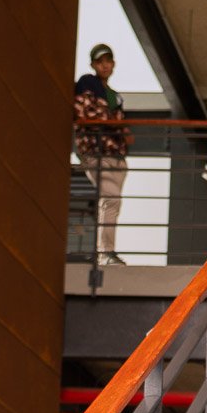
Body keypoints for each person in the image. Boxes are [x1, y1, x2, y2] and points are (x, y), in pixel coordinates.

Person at [73, 43, 130, 265]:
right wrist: (116, 124)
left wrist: (117, 125)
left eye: (108, 61)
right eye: (100, 62)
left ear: (113, 63)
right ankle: (105, 252)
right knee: (110, 199)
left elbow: (119, 124)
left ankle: (107, 251)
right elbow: (86, 112)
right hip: (96, 152)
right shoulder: (87, 82)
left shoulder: (116, 95)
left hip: (116, 154)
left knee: (113, 202)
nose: (105, 65)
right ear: (93, 65)